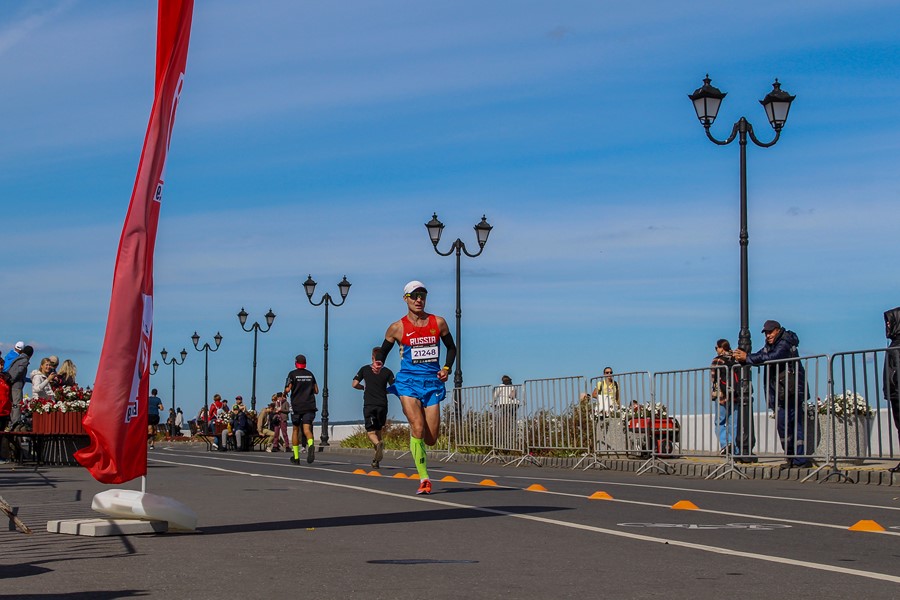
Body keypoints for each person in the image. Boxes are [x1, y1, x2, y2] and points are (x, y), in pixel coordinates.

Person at [376, 280, 456, 495]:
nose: (419, 299)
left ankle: (417, 444)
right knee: (417, 427)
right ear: (406, 299)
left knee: (431, 438)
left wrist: (446, 368)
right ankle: (424, 478)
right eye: (414, 296)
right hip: (408, 383)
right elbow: (383, 351)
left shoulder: (438, 322)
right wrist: (378, 363)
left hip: (432, 383)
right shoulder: (397, 327)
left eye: (422, 295)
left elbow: (451, 348)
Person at [733, 320, 812, 469]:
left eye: (770, 332)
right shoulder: (771, 344)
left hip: (791, 390)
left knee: (794, 425)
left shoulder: (784, 342)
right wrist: (745, 357)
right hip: (781, 392)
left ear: (777, 330)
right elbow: (762, 355)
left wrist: (747, 358)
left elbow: (772, 357)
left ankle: (800, 459)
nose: (768, 335)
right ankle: (791, 458)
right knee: (783, 426)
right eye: (766, 333)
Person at [352, 346, 396, 469]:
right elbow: (395, 387)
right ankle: (376, 460)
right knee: (378, 431)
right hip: (382, 405)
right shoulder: (387, 372)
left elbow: (354, 384)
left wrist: (363, 388)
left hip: (369, 404)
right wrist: (385, 391)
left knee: (371, 433)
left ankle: (378, 444)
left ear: (372, 357)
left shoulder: (365, 369)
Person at [284, 354, 319, 464]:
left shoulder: (292, 374)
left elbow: (288, 389)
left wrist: (285, 392)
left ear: (296, 363)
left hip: (297, 406)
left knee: (295, 430)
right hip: (309, 405)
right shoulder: (310, 374)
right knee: (307, 429)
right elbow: (316, 390)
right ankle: (311, 445)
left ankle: (296, 457)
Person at [883, 307, 900, 473]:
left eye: (889, 321)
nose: (887, 325)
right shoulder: (894, 344)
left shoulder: (897, 345)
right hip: (895, 393)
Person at [6, 346, 33, 423]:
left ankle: (11, 421)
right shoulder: (24, 360)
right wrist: (13, 380)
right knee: (17, 404)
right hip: (16, 385)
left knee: (12, 403)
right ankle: (16, 422)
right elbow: (19, 371)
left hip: (11, 383)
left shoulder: (17, 358)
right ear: (31, 355)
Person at [491, 375, 518, 451]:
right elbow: (513, 396)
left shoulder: (501, 386)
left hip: (503, 404)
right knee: (511, 419)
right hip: (513, 404)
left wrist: (492, 403)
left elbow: (495, 396)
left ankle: (501, 437)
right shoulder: (512, 387)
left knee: (502, 420)